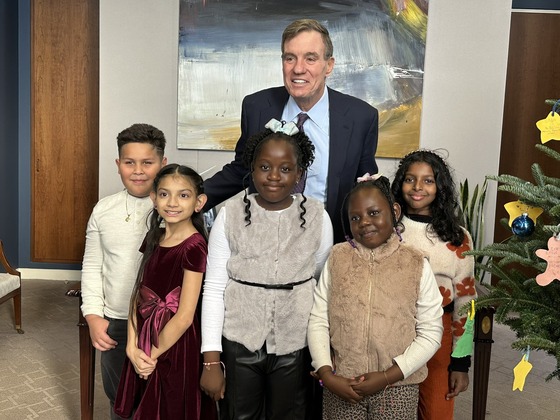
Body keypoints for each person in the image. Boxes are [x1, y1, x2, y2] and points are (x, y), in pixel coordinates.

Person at [200, 120, 334, 419]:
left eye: (285, 169)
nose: (274, 177)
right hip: (239, 341)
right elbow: (214, 288)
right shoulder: (229, 215)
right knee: (239, 414)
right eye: (264, 167)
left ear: (299, 173)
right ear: (252, 169)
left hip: (295, 343)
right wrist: (211, 359)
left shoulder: (317, 217)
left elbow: (321, 279)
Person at [203, 18, 378, 244]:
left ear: (329, 65)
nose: (298, 68)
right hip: (263, 240)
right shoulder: (256, 107)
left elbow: (366, 189)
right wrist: (191, 195)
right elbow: (242, 170)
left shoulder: (361, 117)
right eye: (290, 58)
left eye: (310, 58)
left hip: (330, 244)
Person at [307, 174, 444, 419]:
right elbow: (318, 320)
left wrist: (387, 376)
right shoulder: (337, 259)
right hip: (343, 383)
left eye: (374, 213)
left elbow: (431, 332)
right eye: (355, 217)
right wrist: (326, 373)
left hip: (397, 385)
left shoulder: (415, 264)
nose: (364, 223)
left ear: (394, 210)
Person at [113, 164, 217, 419]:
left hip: (175, 343)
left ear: (198, 202)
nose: (172, 202)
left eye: (183, 195)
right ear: (153, 198)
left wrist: (149, 355)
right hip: (144, 336)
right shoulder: (153, 236)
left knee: (168, 406)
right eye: (164, 194)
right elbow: (138, 296)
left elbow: (184, 316)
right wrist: (132, 346)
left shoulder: (194, 246)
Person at [81, 123, 167, 419]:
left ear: (163, 164)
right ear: (118, 165)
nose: (138, 171)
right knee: (120, 400)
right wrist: (93, 315)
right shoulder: (103, 210)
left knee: (161, 399)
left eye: (148, 163)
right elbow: (93, 266)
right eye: (129, 163)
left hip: (164, 325)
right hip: (115, 320)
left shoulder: (176, 208)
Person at [391, 150, 477, 420]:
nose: (418, 187)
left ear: (440, 187)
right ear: (399, 184)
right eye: (410, 179)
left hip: (441, 334)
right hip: (395, 332)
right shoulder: (387, 228)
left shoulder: (458, 238)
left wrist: (461, 363)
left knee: (437, 411)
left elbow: (467, 301)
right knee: (392, 408)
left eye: (428, 181)